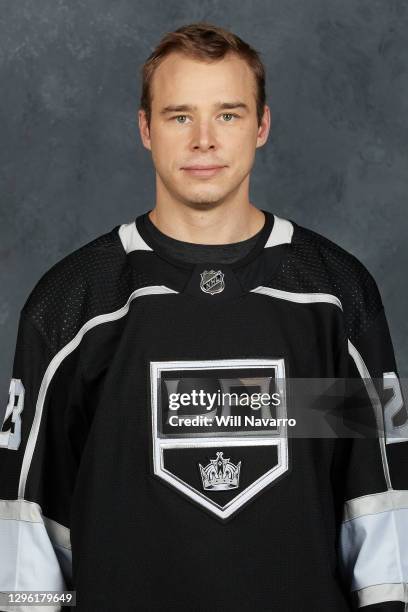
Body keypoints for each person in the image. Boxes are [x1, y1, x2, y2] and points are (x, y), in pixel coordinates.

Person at [0, 21, 407, 612]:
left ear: (262, 126)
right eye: (179, 115)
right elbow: (28, 523)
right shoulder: (73, 304)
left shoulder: (335, 296)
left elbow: (378, 497)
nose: (204, 141)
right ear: (145, 129)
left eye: (229, 114)